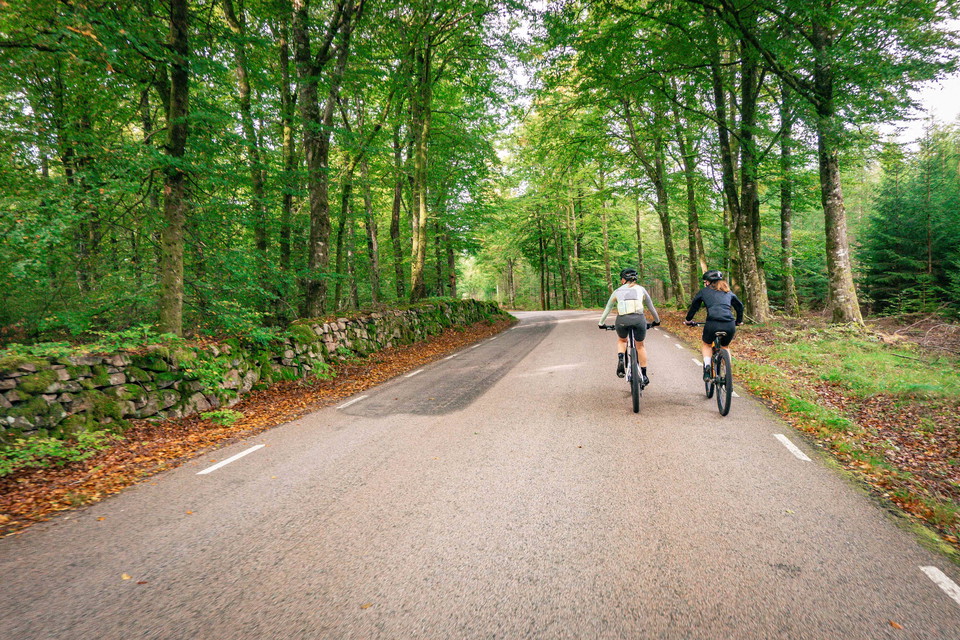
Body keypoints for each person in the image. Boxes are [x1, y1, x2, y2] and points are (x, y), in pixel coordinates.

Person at [598, 268, 661, 385]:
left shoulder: (617, 291)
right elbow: (651, 307)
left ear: (623, 279)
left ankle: (621, 358)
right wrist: (657, 321)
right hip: (638, 319)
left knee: (622, 340)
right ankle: (644, 375)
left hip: (622, 320)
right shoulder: (641, 290)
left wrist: (601, 323)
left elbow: (608, 308)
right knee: (640, 346)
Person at [683, 270, 744, 381]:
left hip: (712, 323)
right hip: (729, 324)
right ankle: (728, 373)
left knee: (706, 344)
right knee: (725, 346)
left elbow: (694, 306)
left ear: (708, 282)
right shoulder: (728, 292)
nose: (705, 283)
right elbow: (740, 306)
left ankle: (707, 367)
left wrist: (688, 320)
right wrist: (739, 321)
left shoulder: (704, 292)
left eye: (705, 281)